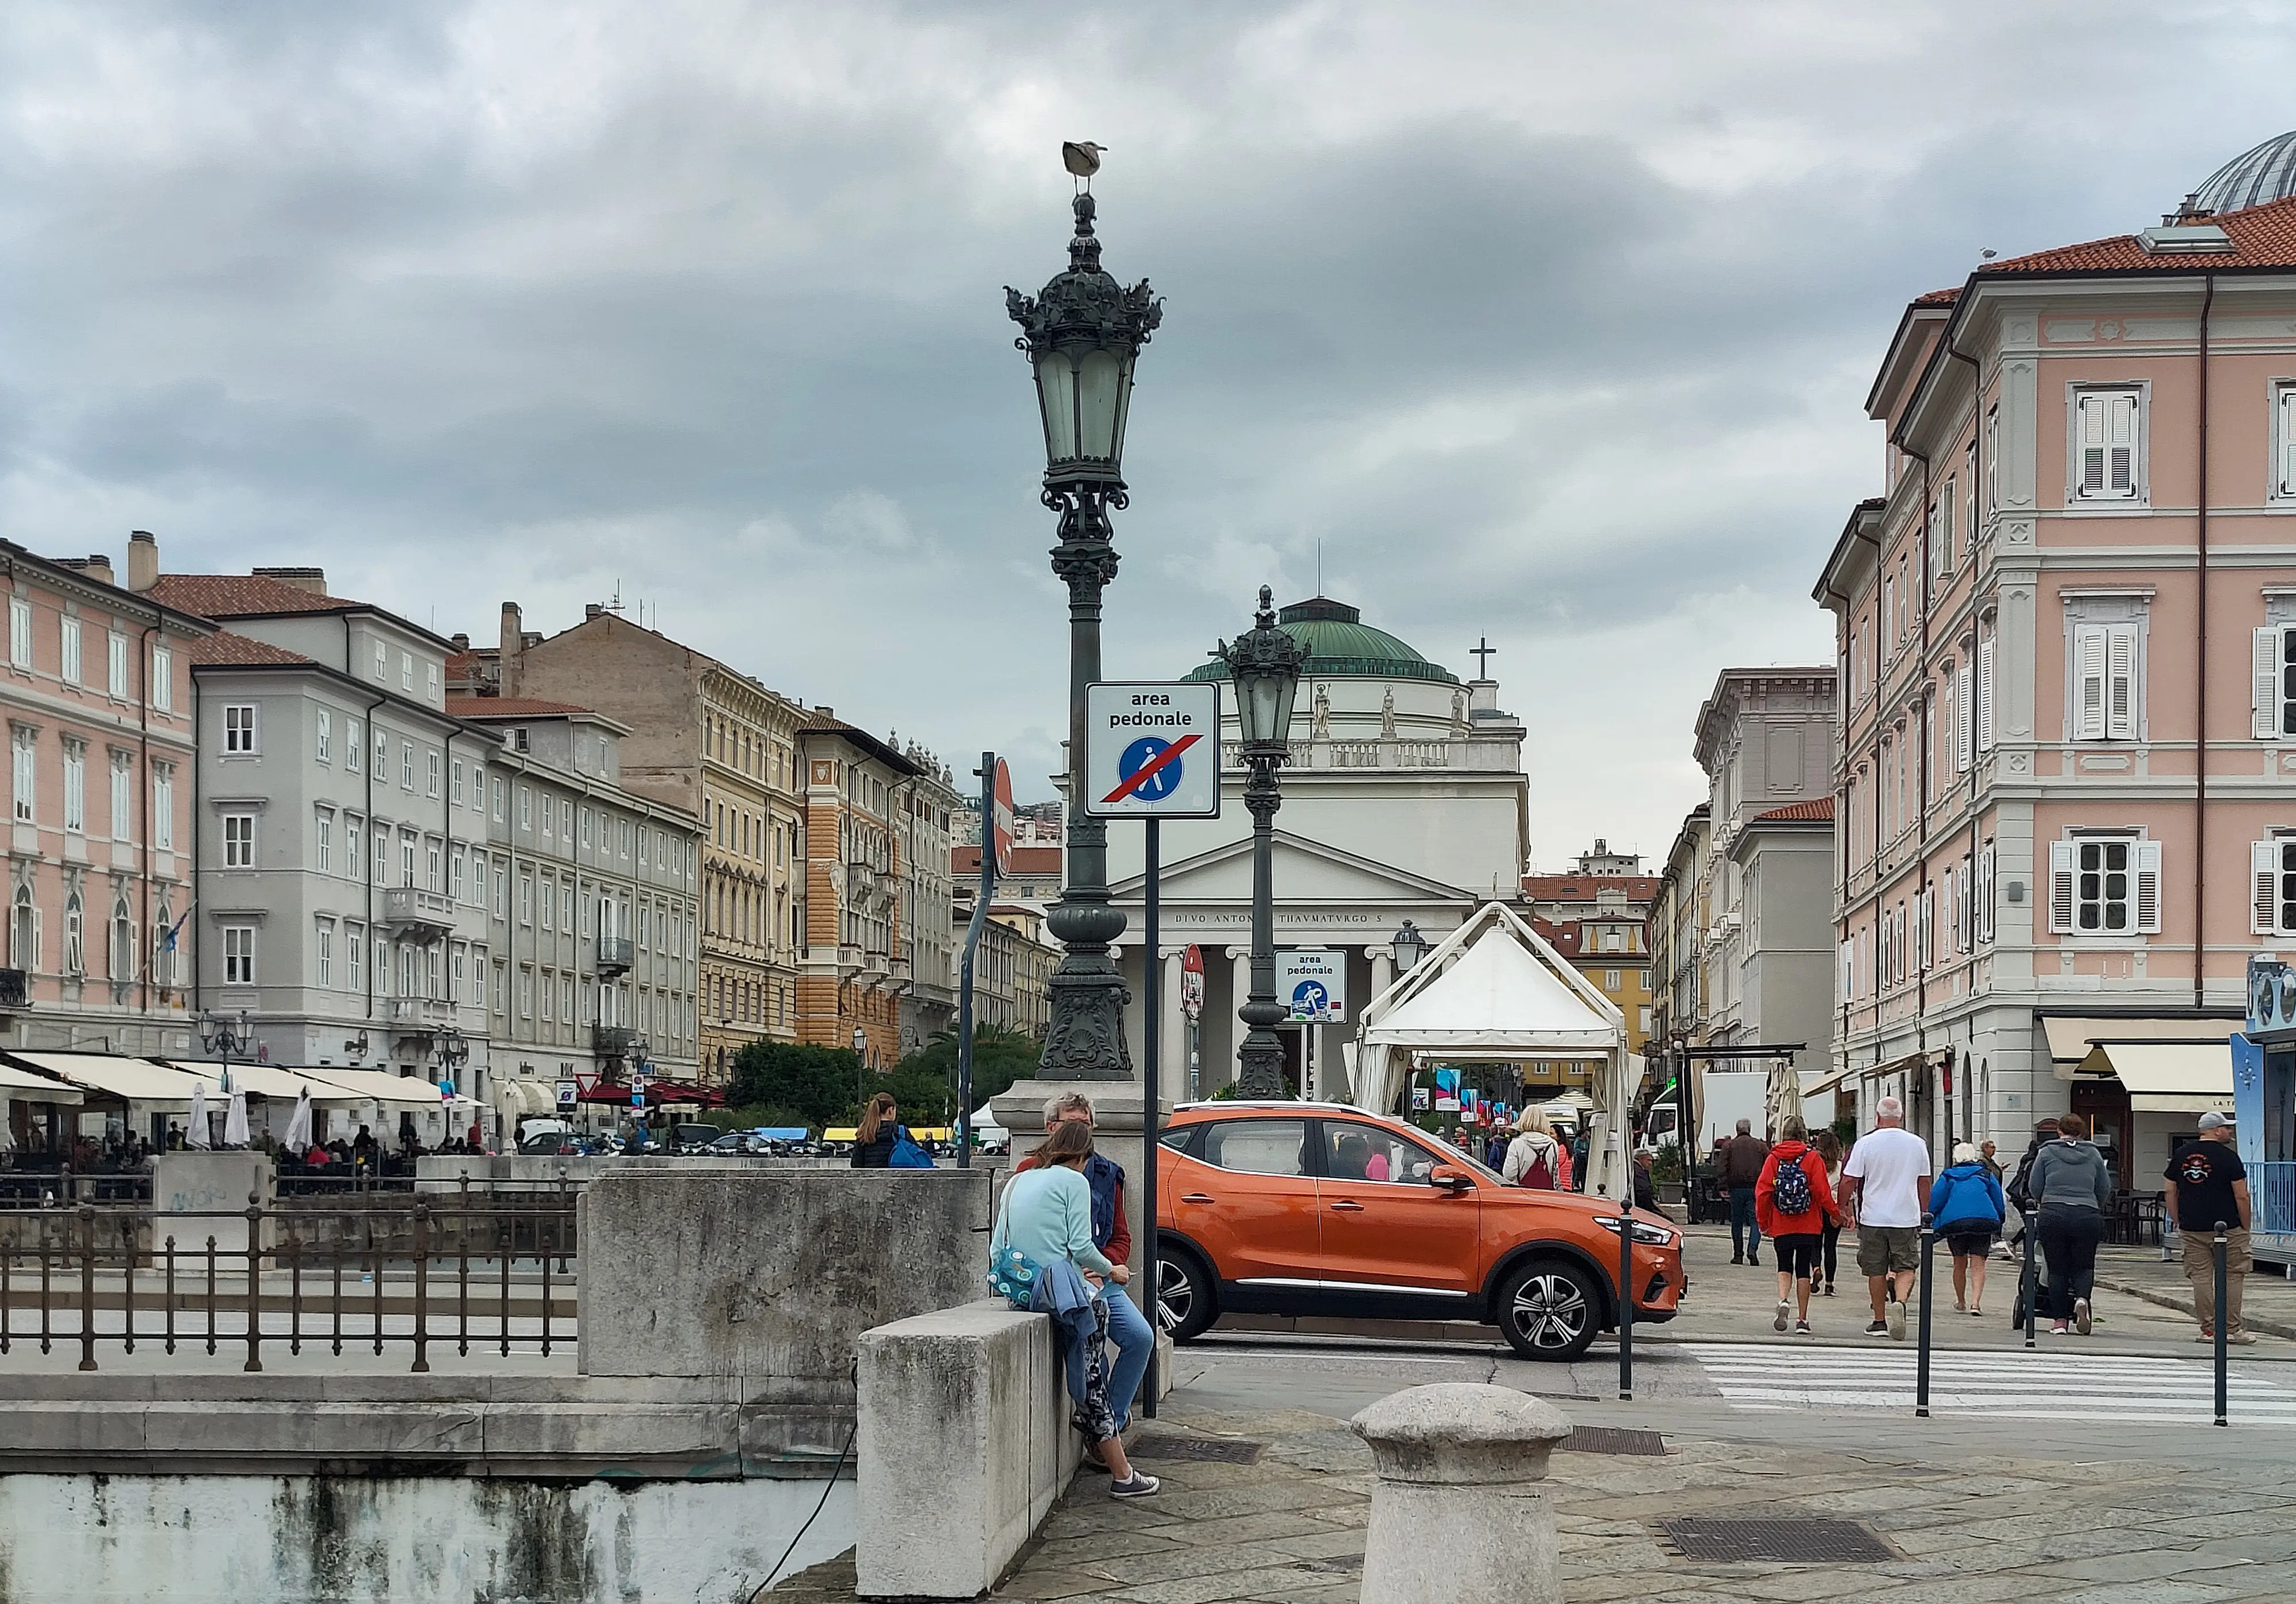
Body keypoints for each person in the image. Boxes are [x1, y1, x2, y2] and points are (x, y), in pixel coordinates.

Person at [990, 1117, 1158, 1499]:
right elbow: (1082, 1247)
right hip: (1065, 1292)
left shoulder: (1019, 1180)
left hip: (1023, 1290)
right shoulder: (1075, 1181)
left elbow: (998, 1247)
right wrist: (1113, 1269)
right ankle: (1122, 1474)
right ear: (1083, 1154)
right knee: (1092, 1382)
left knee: (1090, 1378)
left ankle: (1117, 1462)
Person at [1013, 1094, 1155, 1446]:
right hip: (1060, 1281)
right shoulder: (1030, 1171)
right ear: (1051, 1127)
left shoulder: (1107, 1173)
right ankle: (1104, 1436)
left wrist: (1105, 1266)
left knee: (1141, 1338)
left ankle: (1112, 1421)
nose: (1081, 1132)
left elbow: (1121, 1235)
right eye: (1072, 1124)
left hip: (1099, 1278)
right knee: (1092, 1354)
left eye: (1086, 1124)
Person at [1843, 1097, 1931, 1340]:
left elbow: (1850, 1180)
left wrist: (1843, 1208)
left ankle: (1879, 1321)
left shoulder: (1866, 1143)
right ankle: (1900, 1303)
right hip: (1906, 1217)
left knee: (1876, 1270)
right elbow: (1924, 1181)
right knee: (1906, 1266)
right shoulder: (1917, 1144)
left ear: (1877, 1117)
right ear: (1902, 1117)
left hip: (1873, 1217)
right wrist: (1925, 1212)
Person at [2164, 1110, 2254, 1345]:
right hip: (2228, 1226)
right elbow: (2241, 1195)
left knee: (2201, 1278)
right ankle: (2232, 1329)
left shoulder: (2181, 1155)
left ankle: (2209, 1330)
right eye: (2227, 1128)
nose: (2230, 1131)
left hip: (2193, 1226)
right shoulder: (2229, 1157)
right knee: (2234, 1275)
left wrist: (2177, 1218)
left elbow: (2170, 1190)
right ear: (2216, 1130)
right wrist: (2246, 1225)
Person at [2029, 1112, 2112, 1336]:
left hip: (2054, 1213)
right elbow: (2104, 1187)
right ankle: (2082, 1300)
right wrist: (2094, 1204)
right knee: (2084, 1266)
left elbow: (2035, 1185)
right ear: (2083, 1132)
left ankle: (2059, 1322)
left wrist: (2045, 1201)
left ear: (2059, 1131)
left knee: (2057, 1269)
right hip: (2087, 1215)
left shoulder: (2046, 1152)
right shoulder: (2094, 1154)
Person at [1755, 1116, 1837, 1335]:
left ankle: (1783, 1300)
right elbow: (1822, 1192)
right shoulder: (1812, 1158)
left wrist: (1764, 1222)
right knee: (1803, 1269)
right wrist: (1835, 1214)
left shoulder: (1774, 1159)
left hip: (1781, 1223)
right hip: (1809, 1223)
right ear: (1804, 1133)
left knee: (1784, 1266)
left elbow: (1763, 1193)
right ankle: (1802, 1319)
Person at [1929, 1141, 2007, 1317]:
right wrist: (1999, 1219)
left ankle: (1961, 1301)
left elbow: (1936, 1200)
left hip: (1955, 1223)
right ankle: (1976, 1303)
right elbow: (1998, 1199)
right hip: (1983, 1221)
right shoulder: (1986, 1174)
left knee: (1959, 1262)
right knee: (1978, 1264)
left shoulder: (1948, 1176)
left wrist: (1931, 1219)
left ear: (1956, 1157)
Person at [1720, 1118, 1772, 1266]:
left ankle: (1738, 1254)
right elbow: (1769, 1165)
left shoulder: (1729, 1146)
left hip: (1736, 1189)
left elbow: (1722, 1167)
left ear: (1737, 1130)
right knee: (1755, 1221)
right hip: (1756, 1189)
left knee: (1736, 1223)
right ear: (1750, 1129)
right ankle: (1753, 1250)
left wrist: (1722, 1187)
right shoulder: (1760, 1146)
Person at [1809, 1128, 1848, 1298]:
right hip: (1834, 1209)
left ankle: (1816, 1268)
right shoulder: (1840, 1167)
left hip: (1816, 1208)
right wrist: (1847, 1212)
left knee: (1815, 1244)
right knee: (1831, 1246)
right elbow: (1848, 1192)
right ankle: (1830, 1285)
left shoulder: (1814, 1163)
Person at [1503, 1112, 1566, 1189]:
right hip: (1547, 1194)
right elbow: (1555, 1174)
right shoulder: (1552, 1144)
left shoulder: (1517, 1143)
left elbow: (1509, 1174)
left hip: (1524, 1194)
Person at [850, 1092, 905, 1168]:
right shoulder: (900, 1132)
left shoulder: (864, 1133)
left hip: (869, 1179)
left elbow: (856, 1165)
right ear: (890, 1110)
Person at [1631, 1149, 1658, 1213]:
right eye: (1648, 1160)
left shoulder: (1638, 1169)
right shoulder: (1638, 1171)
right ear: (1641, 1159)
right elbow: (1643, 1191)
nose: (1650, 1163)